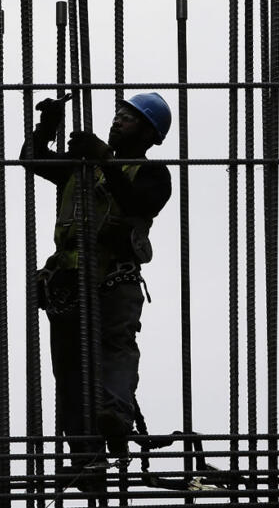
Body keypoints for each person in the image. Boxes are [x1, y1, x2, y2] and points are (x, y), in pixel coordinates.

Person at [22, 91, 173, 474]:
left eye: (131, 117)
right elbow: (31, 158)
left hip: (113, 280)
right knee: (70, 372)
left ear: (150, 134)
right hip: (69, 283)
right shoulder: (81, 167)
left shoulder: (153, 174)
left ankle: (115, 419)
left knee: (115, 351)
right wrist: (48, 126)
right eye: (119, 113)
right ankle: (85, 456)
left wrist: (105, 158)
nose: (119, 119)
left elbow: (137, 203)